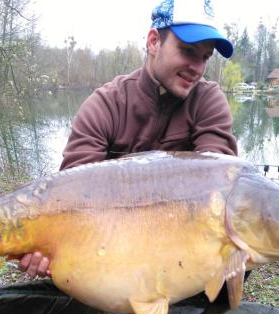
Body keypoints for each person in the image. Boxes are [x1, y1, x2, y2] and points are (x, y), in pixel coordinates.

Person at [20, 0, 237, 278]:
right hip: (106, 245)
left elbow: (220, 185)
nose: (197, 67)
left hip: (180, 249)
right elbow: (70, 196)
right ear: (154, 41)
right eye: (188, 51)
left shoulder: (208, 101)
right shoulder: (106, 104)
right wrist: (45, 244)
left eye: (205, 57)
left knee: (234, 258)